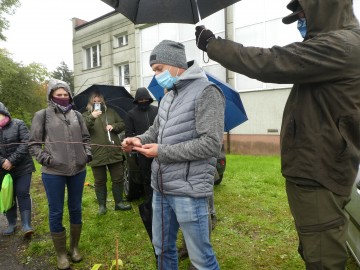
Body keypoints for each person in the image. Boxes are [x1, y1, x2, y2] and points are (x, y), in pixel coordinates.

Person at [195, 0, 360, 269]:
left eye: (304, 16)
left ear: (326, 9)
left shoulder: (341, 46)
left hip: (320, 171)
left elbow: (270, 62)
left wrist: (213, 45)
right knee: (314, 244)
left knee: (323, 256)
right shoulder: (334, 48)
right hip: (315, 169)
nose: (300, 24)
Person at [122, 40, 225, 270]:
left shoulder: (207, 92)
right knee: (162, 249)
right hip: (160, 188)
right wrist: (138, 139)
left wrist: (162, 151)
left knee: (201, 259)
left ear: (176, 64)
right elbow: (156, 131)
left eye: (159, 69)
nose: (157, 75)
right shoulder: (168, 96)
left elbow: (210, 145)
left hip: (189, 191)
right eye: (154, 71)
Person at [29, 79, 92, 270]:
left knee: (76, 208)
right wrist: (46, 159)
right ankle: (61, 254)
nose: (63, 98)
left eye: (66, 95)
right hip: (53, 172)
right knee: (56, 211)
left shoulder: (77, 115)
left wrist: (87, 154)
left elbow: (86, 138)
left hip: (78, 170)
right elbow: (33, 144)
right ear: (51, 96)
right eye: (59, 95)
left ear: (70, 96)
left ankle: (74, 248)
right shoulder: (42, 115)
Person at [82, 92, 131, 214]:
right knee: (99, 181)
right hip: (96, 153)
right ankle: (102, 206)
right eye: (95, 101)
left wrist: (113, 126)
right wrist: (92, 117)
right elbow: (82, 129)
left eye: (99, 101)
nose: (97, 103)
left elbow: (122, 124)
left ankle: (119, 203)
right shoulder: (85, 115)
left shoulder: (111, 112)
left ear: (103, 101)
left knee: (118, 178)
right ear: (90, 102)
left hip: (114, 151)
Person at [0, 102, 35, 237]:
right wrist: (3, 162)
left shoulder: (18, 124)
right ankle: (11, 223)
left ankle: (26, 224)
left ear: (4, 112)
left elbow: (26, 143)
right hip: (2, 170)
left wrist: (11, 160)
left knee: (22, 192)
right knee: (8, 194)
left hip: (22, 167)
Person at [125, 87, 158, 202]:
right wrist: (135, 146)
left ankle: (161, 198)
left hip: (158, 150)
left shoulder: (157, 110)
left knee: (160, 175)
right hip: (142, 151)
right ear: (137, 100)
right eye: (140, 99)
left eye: (145, 99)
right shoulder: (131, 114)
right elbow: (128, 133)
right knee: (146, 178)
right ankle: (150, 200)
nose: (143, 101)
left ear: (149, 99)